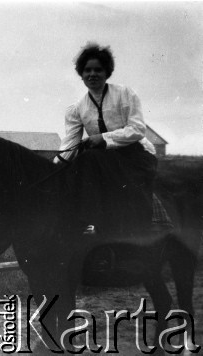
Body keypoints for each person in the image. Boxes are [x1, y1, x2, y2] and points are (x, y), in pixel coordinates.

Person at [56, 42, 157, 237]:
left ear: (107, 72)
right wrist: (55, 167)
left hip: (134, 156)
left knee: (89, 159)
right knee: (79, 164)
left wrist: (103, 138)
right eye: (87, 70)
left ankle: (98, 223)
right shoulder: (77, 108)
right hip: (103, 161)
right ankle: (88, 224)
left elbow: (137, 129)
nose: (92, 74)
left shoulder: (125, 94)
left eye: (98, 70)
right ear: (81, 74)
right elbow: (70, 144)